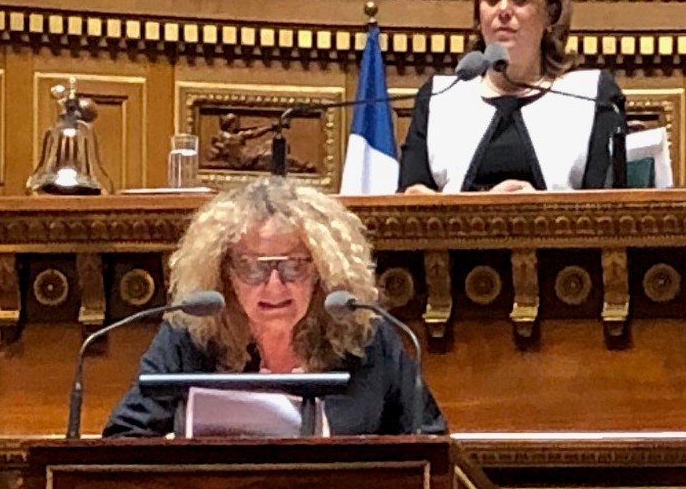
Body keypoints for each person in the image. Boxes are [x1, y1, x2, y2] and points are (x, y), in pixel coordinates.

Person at [103, 177, 445, 437]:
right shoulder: (192, 331)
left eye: (295, 265)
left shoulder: (364, 334)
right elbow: (124, 437)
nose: (274, 285)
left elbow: (430, 442)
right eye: (252, 267)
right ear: (224, 274)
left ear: (323, 271)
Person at [397, 0, 623, 194]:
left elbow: (607, 210)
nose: (503, 9)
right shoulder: (440, 97)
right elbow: (410, 195)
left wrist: (535, 211)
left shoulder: (588, 96)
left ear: (551, 14)